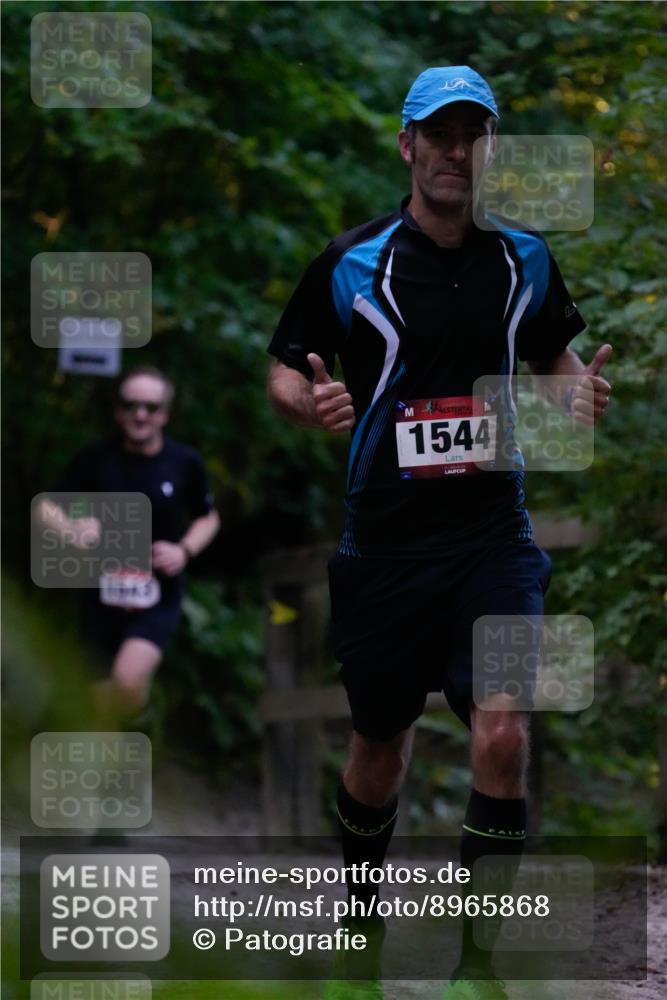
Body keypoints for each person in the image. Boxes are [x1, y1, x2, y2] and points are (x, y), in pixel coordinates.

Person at [267, 66, 612, 999]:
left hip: (492, 539)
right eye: (440, 135)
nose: (457, 152)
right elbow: (285, 371)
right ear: (407, 145)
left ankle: (477, 968)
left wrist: (572, 396)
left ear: (490, 147)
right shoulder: (352, 261)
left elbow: (551, 358)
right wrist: (311, 404)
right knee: (378, 747)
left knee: (501, 732)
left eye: (473, 136)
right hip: (383, 545)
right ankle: (358, 933)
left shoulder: (525, 259)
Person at [40, 365, 220, 723]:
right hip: (100, 596)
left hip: (156, 594)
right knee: (99, 703)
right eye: (131, 405)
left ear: (164, 414)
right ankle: (128, 737)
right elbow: (47, 508)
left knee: (125, 685)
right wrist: (73, 529)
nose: (140, 415)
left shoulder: (183, 462)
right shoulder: (96, 458)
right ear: (118, 411)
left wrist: (183, 550)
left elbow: (208, 517)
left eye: (151, 407)